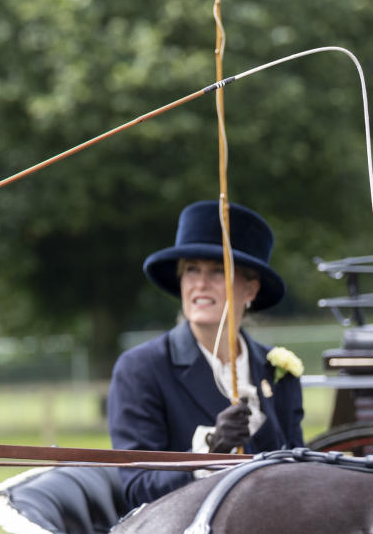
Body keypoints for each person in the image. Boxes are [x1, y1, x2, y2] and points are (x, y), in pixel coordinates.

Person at [107, 200, 304, 507]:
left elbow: (298, 476)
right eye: (191, 270)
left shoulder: (278, 372)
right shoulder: (141, 369)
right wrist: (210, 451)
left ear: (250, 290)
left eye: (217, 271)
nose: (200, 284)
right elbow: (138, 489)